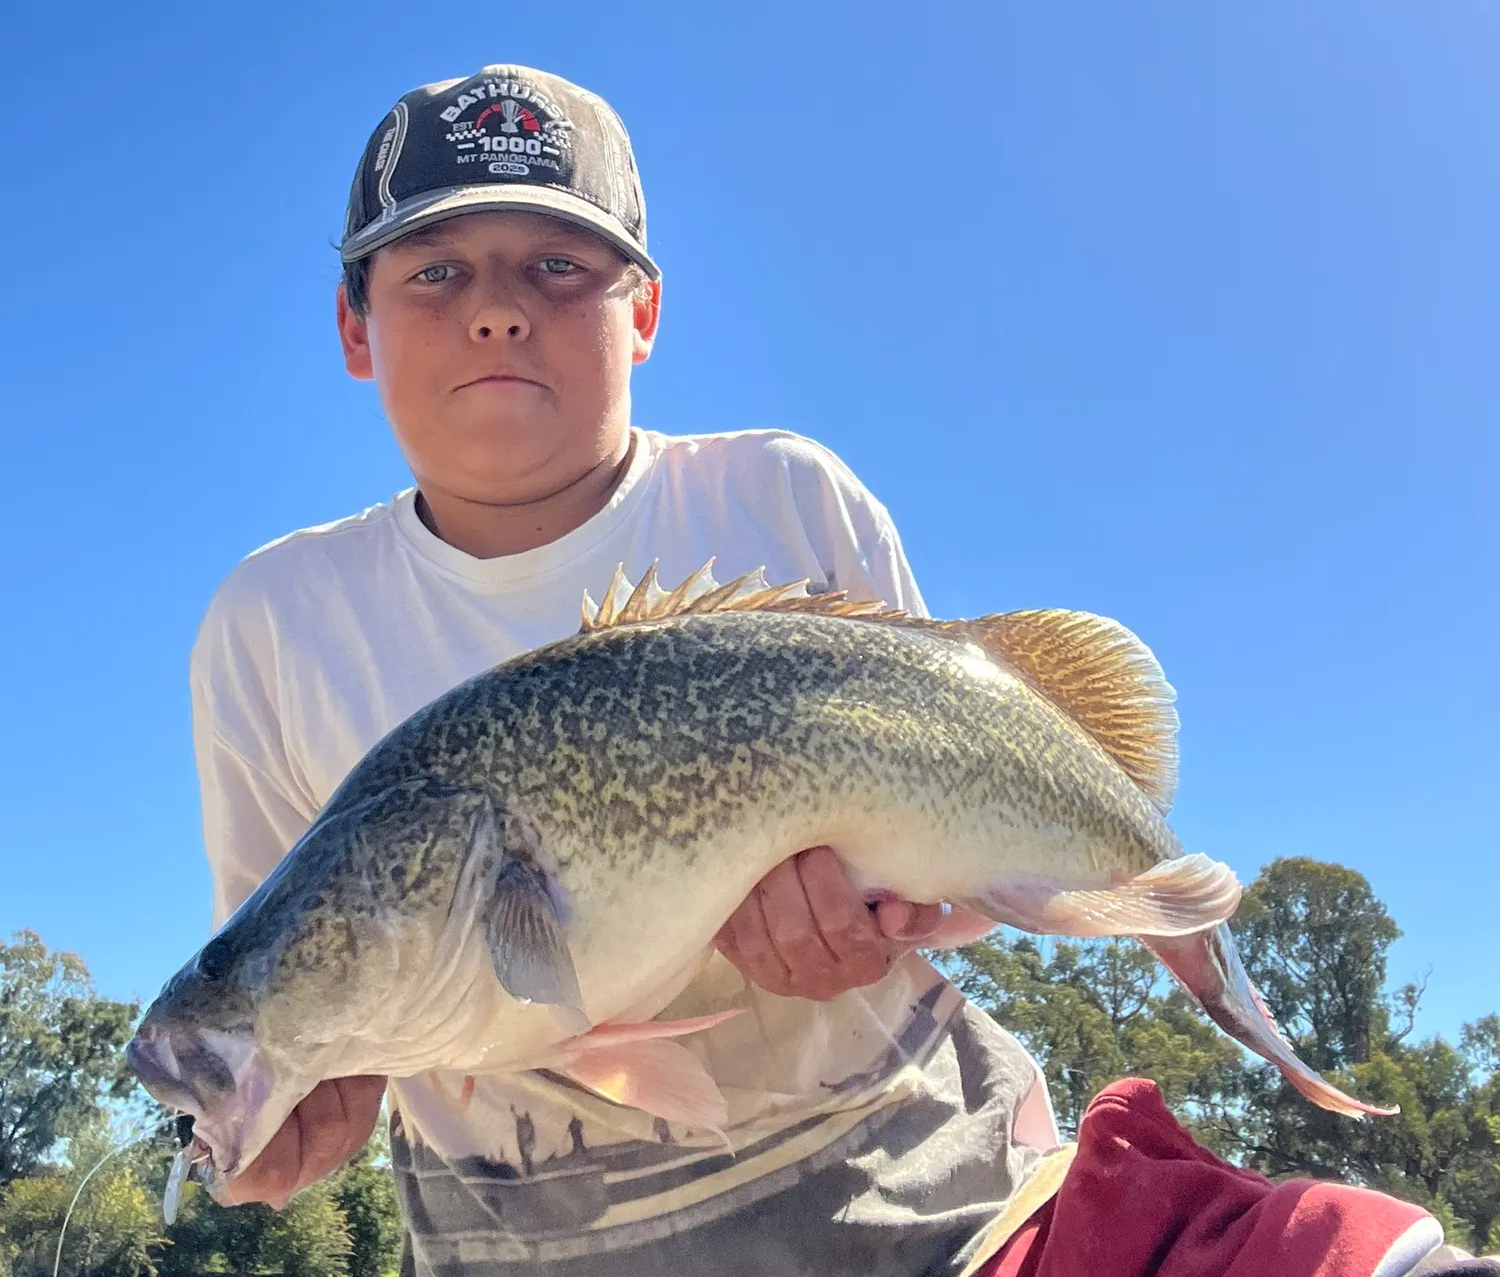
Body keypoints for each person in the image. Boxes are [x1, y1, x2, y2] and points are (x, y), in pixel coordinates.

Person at [190, 64, 1486, 1277]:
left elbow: (948, 826)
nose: (496, 305)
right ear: (354, 325)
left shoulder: (782, 495)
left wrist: (887, 921)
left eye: (558, 264)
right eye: (433, 270)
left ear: (644, 314)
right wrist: (286, 1110)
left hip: (948, 1207)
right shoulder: (272, 622)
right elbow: (299, 963)